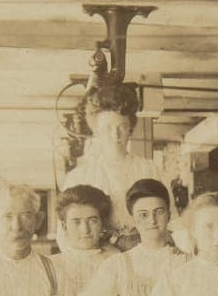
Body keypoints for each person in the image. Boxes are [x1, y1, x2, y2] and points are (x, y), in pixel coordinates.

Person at [62, 84, 161, 239]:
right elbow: (65, 234)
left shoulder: (149, 169)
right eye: (107, 128)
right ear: (96, 130)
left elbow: (171, 220)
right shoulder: (79, 177)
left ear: (130, 129)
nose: (115, 135)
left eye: (122, 127)